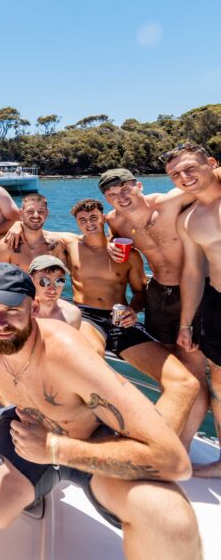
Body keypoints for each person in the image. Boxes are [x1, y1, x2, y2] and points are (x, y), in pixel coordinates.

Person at [0, 264, 202, 560]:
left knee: (171, 518)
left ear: (34, 308)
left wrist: (55, 449)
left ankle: (53, 470)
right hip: (25, 433)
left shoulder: (67, 352)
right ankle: (37, 483)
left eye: (11, 310)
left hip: (91, 441)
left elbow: (175, 462)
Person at [65, 199, 199, 445]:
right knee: (91, 368)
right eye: (82, 220)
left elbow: (139, 293)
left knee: (185, 383)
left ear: (103, 218)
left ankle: (157, 445)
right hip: (86, 316)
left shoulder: (129, 255)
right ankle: (93, 430)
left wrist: (132, 309)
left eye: (94, 217)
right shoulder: (69, 247)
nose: (89, 223)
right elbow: (36, 232)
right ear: (76, 224)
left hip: (120, 318)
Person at [99, 167, 212, 446]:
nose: (121, 197)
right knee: (171, 373)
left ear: (139, 185)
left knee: (193, 372)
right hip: (157, 294)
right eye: (112, 195)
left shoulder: (169, 202)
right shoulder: (115, 220)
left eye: (125, 189)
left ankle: (182, 445)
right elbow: (112, 239)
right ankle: (171, 430)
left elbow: (210, 181)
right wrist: (113, 244)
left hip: (194, 292)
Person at [164, 143, 221, 477]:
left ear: (211, 163)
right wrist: (185, 325)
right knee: (218, 379)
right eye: (175, 174)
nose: (184, 178)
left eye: (190, 169)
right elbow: (191, 273)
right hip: (217, 300)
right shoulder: (188, 220)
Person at [0, 193, 68, 271]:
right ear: (21, 213)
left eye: (41, 211)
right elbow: (0, 279)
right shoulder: (6, 245)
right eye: (30, 211)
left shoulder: (56, 244)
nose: (36, 215)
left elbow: (61, 276)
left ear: (47, 213)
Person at [28, 255, 81, 328]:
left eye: (59, 281)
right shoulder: (22, 314)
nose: (52, 290)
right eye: (44, 281)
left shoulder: (71, 315)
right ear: (31, 280)